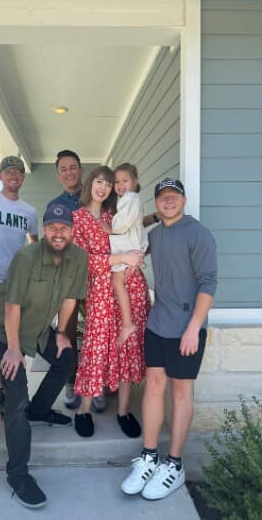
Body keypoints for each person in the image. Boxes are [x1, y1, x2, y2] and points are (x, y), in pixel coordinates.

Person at [0, 202, 88, 508]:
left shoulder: (78, 257)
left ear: (71, 231)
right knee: (16, 397)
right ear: (43, 230)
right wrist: (14, 350)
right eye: (52, 227)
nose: (58, 232)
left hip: (40, 327)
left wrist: (60, 333)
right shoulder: (27, 257)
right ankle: (16, 474)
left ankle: (39, 411)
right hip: (3, 330)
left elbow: (71, 299)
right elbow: (11, 306)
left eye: (64, 227)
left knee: (66, 358)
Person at [121, 177, 217, 501]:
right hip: (157, 324)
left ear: (184, 200)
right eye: (163, 197)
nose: (169, 201)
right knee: (153, 388)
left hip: (186, 328)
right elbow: (135, 243)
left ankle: (174, 465)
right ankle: (149, 457)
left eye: (174, 196)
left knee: (180, 392)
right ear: (157, 203)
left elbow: (208, 283)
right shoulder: (155, 235)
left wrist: (194, 328)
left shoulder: (198, 233)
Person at [71, 166, 150, 438]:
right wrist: (120, 259)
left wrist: (135, 259)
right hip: (101, 292)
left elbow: (136, 242)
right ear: (90, 184)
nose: (103, 187)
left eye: (108, 183)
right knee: (96, 345)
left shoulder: (115, 215)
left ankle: (124, 410)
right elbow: (80, 262)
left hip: (130, 285)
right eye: (99, 182)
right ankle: (84, 409)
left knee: (127, 346)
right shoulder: (78, 218)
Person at [46, 149, 85, 410]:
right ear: (58, 175)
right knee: (67, 330)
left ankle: (97, 381)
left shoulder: (97, 196)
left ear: (80, 170)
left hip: (98, 277)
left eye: (73, 167)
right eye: (63, 169)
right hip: (68, 278)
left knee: (97, 331)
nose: (69, 172)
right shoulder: (55, 205)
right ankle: (72, 380)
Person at [0, 155, 38, 302]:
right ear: (0, 176)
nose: (14, 176)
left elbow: (34, 244)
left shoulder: (29, 211)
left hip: (13, 281)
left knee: (10, 324)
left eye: (18, 172)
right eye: (8, 172)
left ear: (23, 177)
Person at [108, 163, 146, 345]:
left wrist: (108, 228)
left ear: (135, 182)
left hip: (127, 249)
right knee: (118, 282)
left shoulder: (132, 198)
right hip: (129, 249)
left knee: (117, 281)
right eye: (116, 181)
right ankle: (128, 323)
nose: (120, 185)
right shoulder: (126, 200)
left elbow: (122, 224)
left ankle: (128, 323)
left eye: (125, 180)